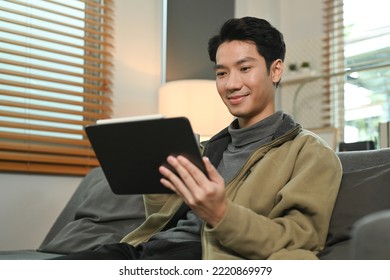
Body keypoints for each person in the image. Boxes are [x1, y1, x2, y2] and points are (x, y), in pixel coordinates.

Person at [54, 16, 342, 260]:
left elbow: (300, 239)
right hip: (145, 249)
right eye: (221, 72)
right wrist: (152, 176)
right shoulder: (207, 148)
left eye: (244, 68)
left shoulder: (310, 153)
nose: (231, 84)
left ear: (275, 69)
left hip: (202, 256)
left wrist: (221, 212)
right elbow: (162, 219)